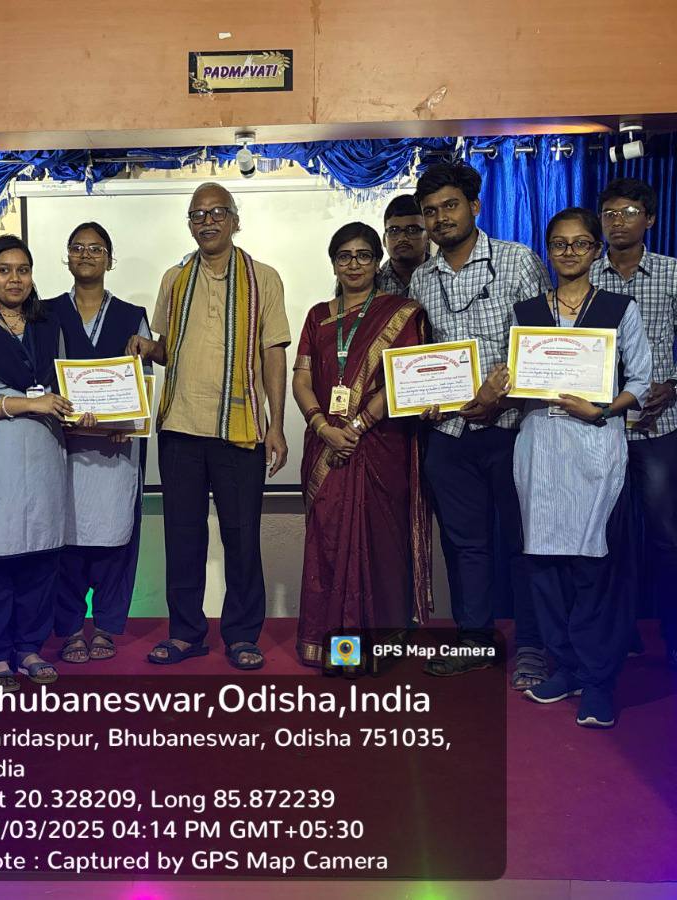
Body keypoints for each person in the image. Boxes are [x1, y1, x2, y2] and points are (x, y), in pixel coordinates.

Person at [127, 183, 291, 671]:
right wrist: (147, 348)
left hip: (240, 429)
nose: (207, 221)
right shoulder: (174, 278)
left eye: (217, 212)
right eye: (197, 215)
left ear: (235, 220)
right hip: (180, 426)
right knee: (182, 537)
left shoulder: (264, 278)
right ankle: (185, 634)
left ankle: (242, 635)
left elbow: (273, 353)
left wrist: (277, 425)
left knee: (242, 538)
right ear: (190, 224)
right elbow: (169, 347)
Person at [407, 162, 550, 687]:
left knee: (523, 540)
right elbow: (423, 356)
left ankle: (532, 645)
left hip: (513, 428)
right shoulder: (422, 277)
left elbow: (541, 342)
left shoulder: (517, 261)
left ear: (474, 207)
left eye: (450, 206)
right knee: (464, 544)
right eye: (430, 212)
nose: (440, 218)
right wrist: (421, 398)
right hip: (448, 434)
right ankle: (475, 640)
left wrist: (499, 391)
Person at [513, 207, 654, 728]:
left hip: (595, 445)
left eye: (579, 243)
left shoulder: (618, 307)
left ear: (596, 250)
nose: (568, 252)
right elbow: (520, 379)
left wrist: (603, 411)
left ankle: (598, 681)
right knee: (545, 566)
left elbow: (641, 379)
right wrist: (506, 384)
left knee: (592, 567)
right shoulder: (528, 311)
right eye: (559, 243)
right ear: (548, 250)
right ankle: (565, 668)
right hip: (540, 446)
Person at [0, 235, 94, 687]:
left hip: (45, 454)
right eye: (4, 270)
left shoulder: (49, 325)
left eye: (23, 270)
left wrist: (87, 409)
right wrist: (28, 404)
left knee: (40, 554)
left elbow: (66, 385)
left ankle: (30, 647)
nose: (15, 279)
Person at [292, 222, 432, 666]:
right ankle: (333, 647)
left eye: (364, 255)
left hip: (379, 445)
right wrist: (323, 427)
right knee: (328, 542)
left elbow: (402, 378)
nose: (354, 264)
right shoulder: (318, 315)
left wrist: (357, 424)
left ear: (377, 261)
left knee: (381, 546)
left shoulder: (402, 313)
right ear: (333, 263)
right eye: (344, 256)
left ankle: (375, 647)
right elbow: (301, 379)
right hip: (326, 445)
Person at [588, 178, 677, 680]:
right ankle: (620, 635)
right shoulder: (586, 273)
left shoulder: (675, 273)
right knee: (608, 536)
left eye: (629, 212)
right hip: (600, 427)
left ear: (650, 219)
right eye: (609, 213)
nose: (618, 221)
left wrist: (673, 385)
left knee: (665, 536)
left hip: (657, 426)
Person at [48, 222, 151, 664]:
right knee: (66, 543)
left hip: (116, 448)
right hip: (63, 448)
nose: (86, 255)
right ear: (67, 256)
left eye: (96, 248)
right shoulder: (46, 312)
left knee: (114, 540)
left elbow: (144, 378)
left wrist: (128, 421)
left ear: (110, 258)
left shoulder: (132, 314)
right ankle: (71, 628)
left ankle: (106, 626)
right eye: (78, 247)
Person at [377, 194, 430, 296]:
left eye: (412, 230)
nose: (402, 238)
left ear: (428, 236)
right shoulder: (373, 282)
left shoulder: (444, 276)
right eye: (394, 231)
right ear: (384, 240)